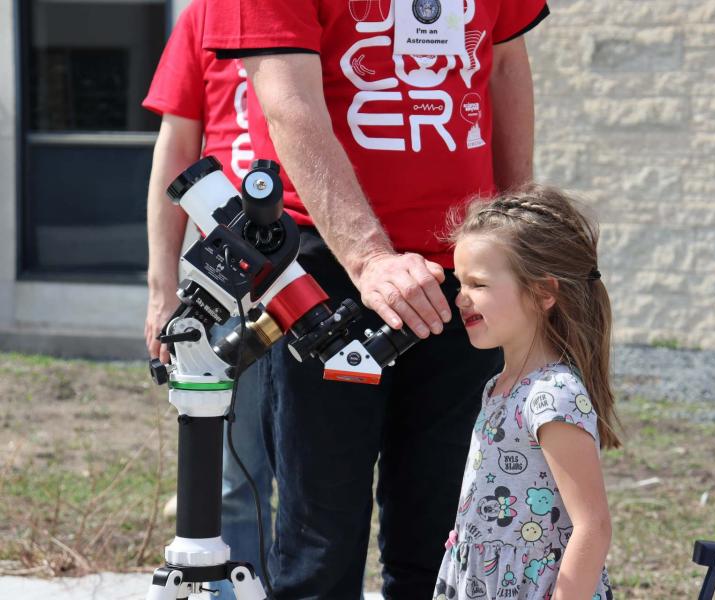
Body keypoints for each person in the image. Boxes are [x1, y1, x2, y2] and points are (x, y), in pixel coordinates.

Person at [202, 1, 549, 597]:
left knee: (444, 531)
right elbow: (290, 104)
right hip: (325, 265)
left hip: (466, 265)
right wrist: (370, 257)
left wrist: (516, 230)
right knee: (321, 539)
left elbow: (504, 64)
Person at [142, 2, 272, 598]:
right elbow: (175, 148)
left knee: (313, 480)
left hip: (321, 270)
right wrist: (162, 288)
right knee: (229, 483)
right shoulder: (208, 15)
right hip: (227, 287)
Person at [436, 186, 619, 599]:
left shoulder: (553, 395)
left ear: (543, 292)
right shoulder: (498, 388)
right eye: (460, 282)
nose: (460, 298)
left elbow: (593, 526)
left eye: (477, 284)